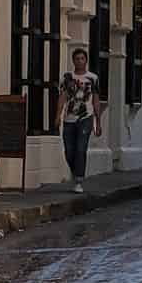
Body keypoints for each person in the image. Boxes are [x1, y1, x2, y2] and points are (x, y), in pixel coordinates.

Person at [56, 47, 101, 192]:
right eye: (77, 59)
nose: (80, 61)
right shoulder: (67, 77)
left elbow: (95, 100)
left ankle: (79, 180)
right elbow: (62, 97)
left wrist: (97, 122)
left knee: (81, 148)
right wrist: (58, 115)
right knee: (69, 150)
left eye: (82, 58)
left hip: (86, 118)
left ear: (86, 60)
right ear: (73, 61)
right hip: (69, 118)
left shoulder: (93, 78)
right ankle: (76, 173)